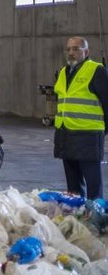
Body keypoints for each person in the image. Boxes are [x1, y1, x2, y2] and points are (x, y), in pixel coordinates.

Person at [53, 36, 108, 199]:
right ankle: (77, 216)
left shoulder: (96, 71)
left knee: (93, 185)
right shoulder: (63, 72)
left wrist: (102, 130)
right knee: (73, 188)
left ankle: (95, 218)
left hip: (88, 136)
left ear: (86, 52)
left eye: (76, 49)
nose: (71, 53)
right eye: (68, 49)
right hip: (66, 134)